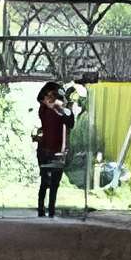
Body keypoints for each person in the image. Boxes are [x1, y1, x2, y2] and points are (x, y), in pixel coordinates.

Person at [32, 80, 74, 217]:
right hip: (45, 150)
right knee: (45, 181)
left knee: (55, 183)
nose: (49, 98)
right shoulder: (44, 110)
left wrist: (65, 107)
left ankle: (51, 210)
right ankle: (41, 210)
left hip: (57, 150)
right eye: (47, 96)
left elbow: (70, 122)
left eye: (51, 95)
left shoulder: (59, 110)